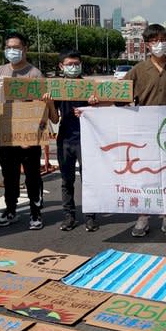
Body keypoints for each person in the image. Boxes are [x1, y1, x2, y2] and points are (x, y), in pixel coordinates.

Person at [123, 23, 166, 238]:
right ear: (146, 45)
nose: (159, 44)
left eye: (162, 40)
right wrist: (95, 105)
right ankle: (143, 216)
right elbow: (119, 97)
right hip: (144, 133)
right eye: (154, 41)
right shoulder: (138, 71)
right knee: (145, 175)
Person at [0, 33, 48, 230]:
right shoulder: (0, 72)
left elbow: (40, 106)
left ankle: (35, 212)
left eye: (16, 47)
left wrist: (31, 135)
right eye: (8, 47)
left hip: (28, 135)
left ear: (24, 49)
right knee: (9, 176)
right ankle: (11, 210)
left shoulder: (34, 74)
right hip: (6, 134)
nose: (11, 50)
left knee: (32, 176)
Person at [43, 50, 99, 232]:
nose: (73, 67)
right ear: (61, 66)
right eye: (69, 64)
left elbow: (101, 114)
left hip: (87, 139)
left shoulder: (90, 87)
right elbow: (53, 119)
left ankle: (90, 216)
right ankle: (69, 216)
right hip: (65, 139)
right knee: (66, 180)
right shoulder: (58, 88)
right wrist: (50, 103)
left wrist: (93, 106)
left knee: (89, 179)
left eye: (76, 63)